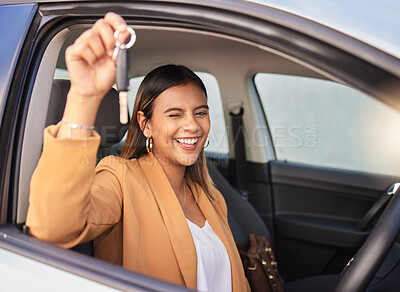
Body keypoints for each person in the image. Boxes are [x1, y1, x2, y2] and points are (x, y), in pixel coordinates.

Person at [26, 12, 249, 292]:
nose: (192, 125)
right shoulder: (119, 178)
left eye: (200, 112)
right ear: (146, 124)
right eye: (174, 114)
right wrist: (84, 98)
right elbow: (54, 229)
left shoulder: (210, 195)